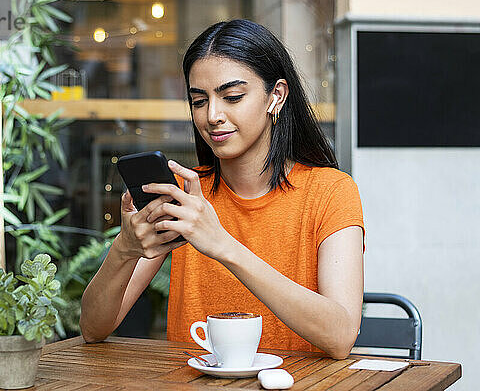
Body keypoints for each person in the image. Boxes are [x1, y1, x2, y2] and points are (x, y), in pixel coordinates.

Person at [80, 19, 364, 359]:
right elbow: (93, 329)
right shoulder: (186, 195)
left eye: (232, 97)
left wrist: (221, 244)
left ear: (276, 96)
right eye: (199, 101)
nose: (212, 115)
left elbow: (340, 335)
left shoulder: (330, 191)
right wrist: (125, 248)